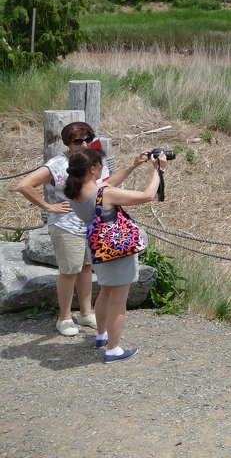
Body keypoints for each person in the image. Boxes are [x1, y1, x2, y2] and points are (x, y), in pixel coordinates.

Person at [14, 122, 151, 338]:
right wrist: (49, 207)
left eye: (87, 139)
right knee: (69, 271)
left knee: (86, 268)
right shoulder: (57, 164)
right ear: (68, 143)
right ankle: (65, 317)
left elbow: (104, 185)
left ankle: (87, 312)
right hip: (65, 223)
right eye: (78, 141)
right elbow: (24, 185)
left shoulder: (93, 160)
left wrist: (131, 167)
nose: (84, 144)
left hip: (91, 226)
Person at [63, 147, 166, 364]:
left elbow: (106, 185)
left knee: (106, 293)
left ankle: (101, 335)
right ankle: (113, 349)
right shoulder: (104, 193)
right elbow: (147, 196)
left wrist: (133, 165)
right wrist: (158, 170)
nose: (103, 168)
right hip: (118, 250)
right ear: (92, 169)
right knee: (118, 301)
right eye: (101, 165)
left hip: (99, 250)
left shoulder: (74, 191)